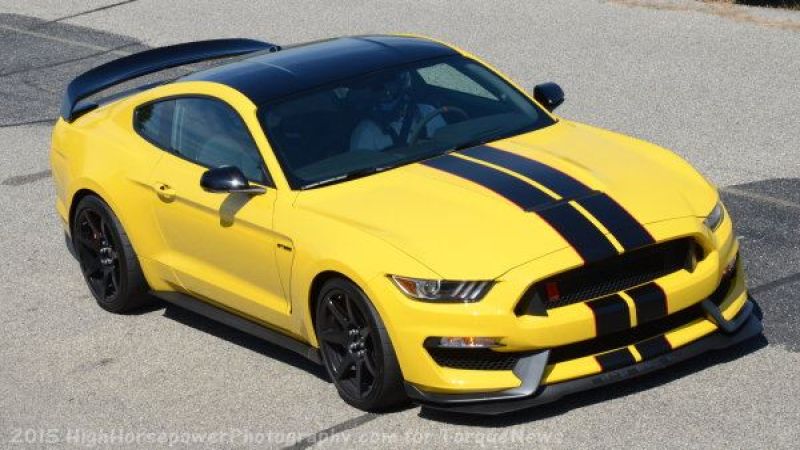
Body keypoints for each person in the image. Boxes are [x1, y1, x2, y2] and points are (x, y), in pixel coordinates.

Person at [350, 70, 446, 152]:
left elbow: (448, 141)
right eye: (379, 86)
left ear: (401, 83)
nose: (386, 90)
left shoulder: (428, 112)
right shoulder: (365, 131)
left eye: (390, 81)